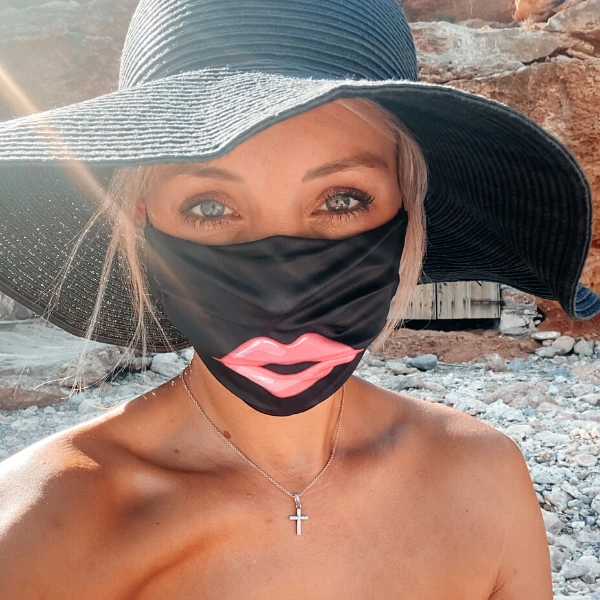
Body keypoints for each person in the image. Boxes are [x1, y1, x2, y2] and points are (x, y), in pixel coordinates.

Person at [0, 0, 597, 597]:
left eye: (341, 200)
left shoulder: (483, 480)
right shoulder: (38, 532)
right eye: (210, 206)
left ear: (409, 205)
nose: (281, 298)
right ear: (141, 221)